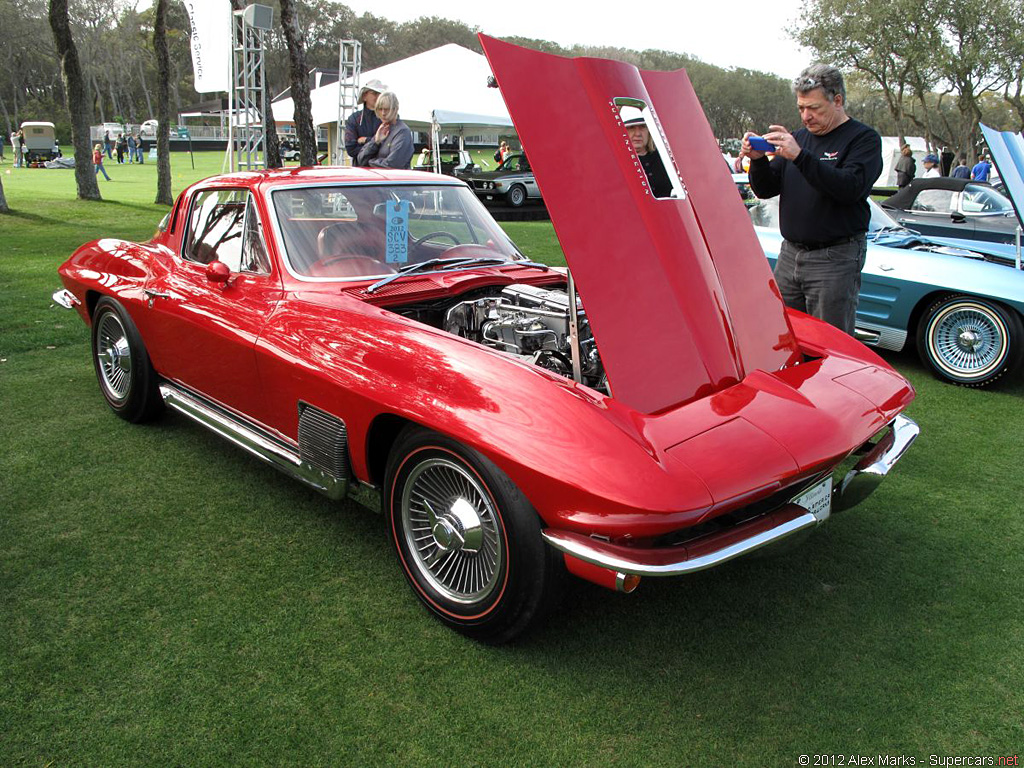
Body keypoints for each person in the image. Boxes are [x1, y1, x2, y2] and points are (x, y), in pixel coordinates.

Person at [741, 63, 881, 336]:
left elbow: (850, 189)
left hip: (835, 257)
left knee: (829, 342)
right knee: (782, 334)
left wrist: (800, 156)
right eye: (801, 108)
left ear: (837, 100)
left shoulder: (863, 139)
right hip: (791, 254)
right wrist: (757, 162)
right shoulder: (799, 138)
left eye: (814, 108)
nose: (806, 116)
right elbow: (766, 190)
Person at [356, 91, 414, 169]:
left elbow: (393, 165)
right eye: (380, 109)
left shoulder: (403, 132)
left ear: (395, 109)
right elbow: (361, 160)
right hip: (379, 179)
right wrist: (376, 142)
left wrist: (370, 162)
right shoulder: (382, 129)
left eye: (387, 109)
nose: (383, 113)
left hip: (395, 180)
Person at [624, 116, 673, 198]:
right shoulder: (618, 161)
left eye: (642, 127)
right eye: (631, 128)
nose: (638, 134)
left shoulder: (664, 157)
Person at [344, 78, 387, 161]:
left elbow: (390, 145)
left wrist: (366, 140)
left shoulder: (388, 118)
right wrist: (376, 143)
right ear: (364, 96)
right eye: (374, 93)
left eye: (380, 94)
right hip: (361, 171)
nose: (378, 97)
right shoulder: (354, 119)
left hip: (383, 169)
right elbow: (351, 149)